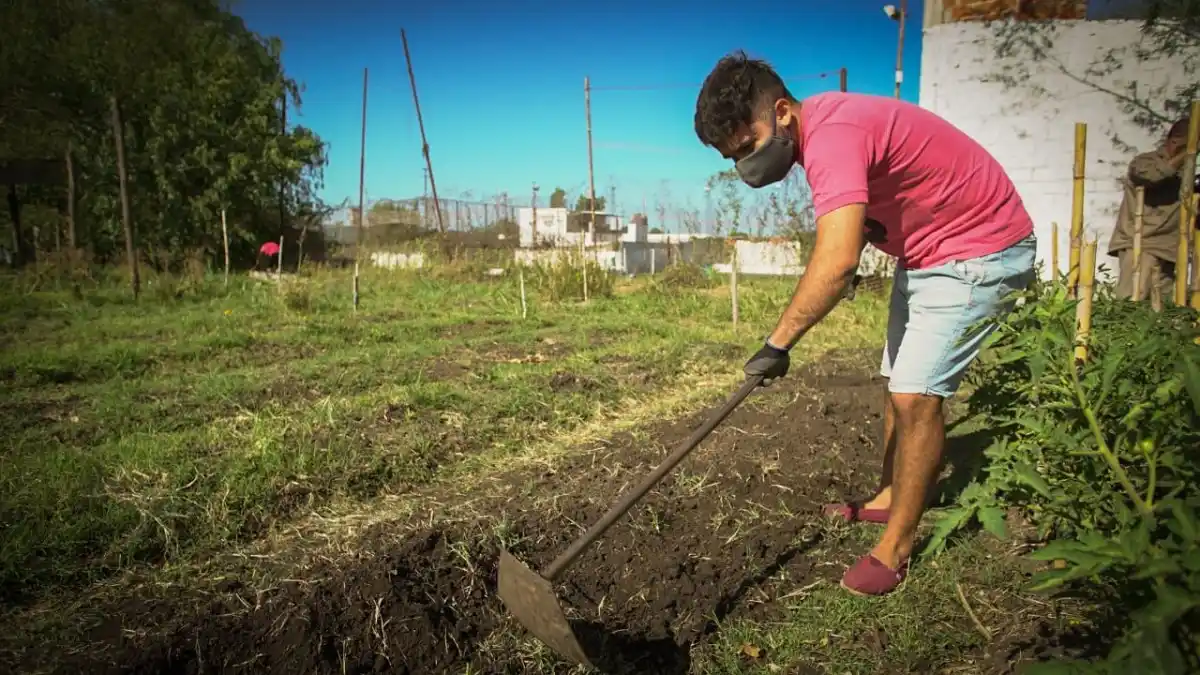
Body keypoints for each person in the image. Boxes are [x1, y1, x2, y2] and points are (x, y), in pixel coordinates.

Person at [693, 51, 1037, 597]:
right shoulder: (818, 136)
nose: (746, 165)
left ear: (783, 111)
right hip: (928, 254)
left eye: (748, 147)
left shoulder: (833, 136)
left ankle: (897, 549)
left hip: (980, 248)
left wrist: (777, 343)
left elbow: (836, 263)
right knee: (896, 383)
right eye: (734, 157)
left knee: (916, 396)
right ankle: (887, 496)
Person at [1106, 117, 1192, 303]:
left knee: (1162, 311)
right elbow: (1152, 176)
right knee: (1132, 305)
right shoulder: (1145, 162)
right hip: (1141, 244)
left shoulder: (1188, 172)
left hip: (1168, 249)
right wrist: (1186, 154)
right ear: (1175, 141)